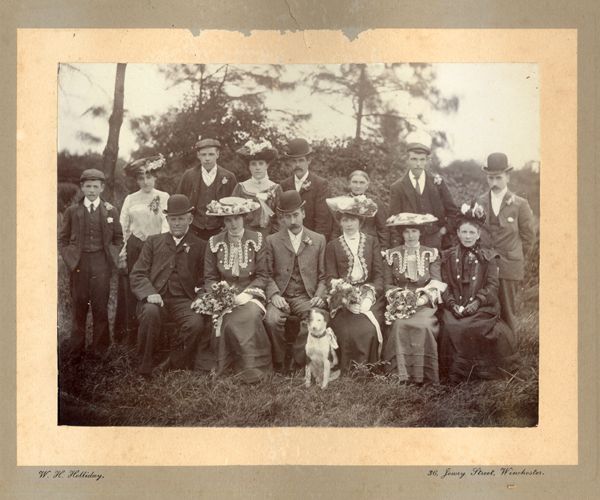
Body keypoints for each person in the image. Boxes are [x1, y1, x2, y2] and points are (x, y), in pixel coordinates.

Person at [438, 202, 519, 382]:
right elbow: (444, 285)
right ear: (458, 233)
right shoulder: (448, 256)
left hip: (482, 307)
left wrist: (476, 303)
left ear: (478, 234)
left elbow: (492, 286)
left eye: (471, 232)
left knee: (470, 327)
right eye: (464, 232)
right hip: (455, 305)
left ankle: (476, 373)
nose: (467, 236)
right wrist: (452, 304)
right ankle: (454, 374)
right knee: (450, 326)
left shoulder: (488, 257)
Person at [129, 195, 208, 378]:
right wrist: (149, 293)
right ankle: (145, 364)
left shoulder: (200, 245)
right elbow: (138, 273)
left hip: (184, 300)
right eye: (173, 219)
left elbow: (205, 279)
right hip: (157, 298)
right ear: (167, 220)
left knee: (195, 323)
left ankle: (171, 363)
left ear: (190, 219)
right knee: (150, 312)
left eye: (181, 219)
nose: (177, 223)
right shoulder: (153, 242)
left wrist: (199, 299)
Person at [202, 196, 273, 383]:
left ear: (244, 218)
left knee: (246, 316)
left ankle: (251, 367)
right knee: (225, 319)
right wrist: (219, 294)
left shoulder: (257, 239)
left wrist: (247, 294)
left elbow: (263, 275)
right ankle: (228, 364)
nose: (233, 224)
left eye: (236, 218)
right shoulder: (214, 242)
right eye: (228, 220)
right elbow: (209, 277)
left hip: (251, 295)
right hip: (223, 296)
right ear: (223, 221)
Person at [58, 168, 123, 359]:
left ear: (102, 188)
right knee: (79, 304)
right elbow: (62, 239)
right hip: (79, 264)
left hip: (101, 263)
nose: (92, 190)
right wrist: (70, 258)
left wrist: (112, 255)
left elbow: (118, 238)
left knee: (100, 305)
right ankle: (76, 348)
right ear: (82, 187)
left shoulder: (110, 211)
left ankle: (100, 349)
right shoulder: (72, 211)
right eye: (88, 186)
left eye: (95, 186)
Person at [264, 190, 328, 372]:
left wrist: (319, 295)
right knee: (271, 320)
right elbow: (266, 274)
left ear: (303, 213)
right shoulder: (272, 240)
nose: (292, 221)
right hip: (281, 296)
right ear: (282, 218)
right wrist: (274, 295)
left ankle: (297, 360)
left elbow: (324, 276)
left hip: (305, 297)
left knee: (316, 317)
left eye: (295, 215)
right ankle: (280, 360)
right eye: (287, 217)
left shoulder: (318, 240)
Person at [381, 212, 446, 384]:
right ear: (401, 233)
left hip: (424, 303)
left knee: (424, 326)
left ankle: (424, 375)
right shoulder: (391, 254)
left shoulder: (430, 253)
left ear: (420, 233)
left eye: (414, 231)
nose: (410, 235)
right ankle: (400, 375)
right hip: (399, 304)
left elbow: (436, 282)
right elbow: (387, 284)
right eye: (407, 231)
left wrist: (422, 299)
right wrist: (400, 297)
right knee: (399, 325)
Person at [477, 152, 536, 333]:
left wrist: (514, 255)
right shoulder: (479, 201)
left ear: (508, 177)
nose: (494, 182)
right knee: (484, 310)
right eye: (490, 178)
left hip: (509, 266)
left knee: (508, 312)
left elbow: (528, 238)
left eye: (498, 178)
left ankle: (510, 348)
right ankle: (488, 346)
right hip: (485, 266)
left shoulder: (520, 204)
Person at [324, 195, 384, 372]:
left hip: (370, 295)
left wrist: (369, 297)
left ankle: (366, 369)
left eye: (352, 220)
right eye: (345, 220)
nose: (349, 224)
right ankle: (347, 369)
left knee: (366, 328)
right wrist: (345, 298)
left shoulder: (372, 242)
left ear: (360, 221)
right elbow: (330, 277)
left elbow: (379, 275)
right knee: (345, 330)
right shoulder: (332, 246)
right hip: (342, 298)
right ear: (340, 223)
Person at [117, 154, 170, 346]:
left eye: (149, 177)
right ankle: (131, 336)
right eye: (141, 178)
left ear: (155, 177)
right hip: (135, 247)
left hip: (156, 247)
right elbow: (123, 226)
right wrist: (122, 251)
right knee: (133, 287)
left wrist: (161, 246)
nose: (145, 181)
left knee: (154, 286)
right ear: (136, 180)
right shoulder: (130, 199)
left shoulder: (163, 197)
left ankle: (155, 336)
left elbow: (166, 223)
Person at [388, 137, 458, 249]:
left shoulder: (437, 182)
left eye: (422, 160)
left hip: (436, 240)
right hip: (409, 243)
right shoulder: (397, 187)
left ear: (426, 161)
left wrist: (443, 231)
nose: (418, 164)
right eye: (414, 159)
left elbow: (453, 212)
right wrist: (396, 246)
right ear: (407, 160)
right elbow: (393, 220)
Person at [176, 138, 237, 241]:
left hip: (220, 230)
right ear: (198, 155)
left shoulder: (229, 177)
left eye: (211, 154)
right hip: (194, 229)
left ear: (217, 154)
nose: (207, 158)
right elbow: (179, 202)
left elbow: (235, 206)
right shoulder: (189, 176)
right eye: (203, 155)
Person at [279, 138, 332, 240]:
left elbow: (323, 221)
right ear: (290, 163)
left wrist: (315, 243)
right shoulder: (284, 185)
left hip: (312, 240)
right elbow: (282, 218)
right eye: (294, 161)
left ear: (309, 161)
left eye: (301, 160)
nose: (297, 165)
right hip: (289, 240)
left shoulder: (320, 185)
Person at [231, 139, 283, 236]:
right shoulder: (241, 187)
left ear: (267, 165)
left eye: (261, 163)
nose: (257, 167)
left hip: (268, 236)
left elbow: (280, 220)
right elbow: (233, 216)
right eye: (253, 164)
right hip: (244, 236)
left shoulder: (275, 188)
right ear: (249, 167)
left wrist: (272, 238)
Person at [331, 169, 390, 249]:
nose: (358, 186)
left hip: (369, 245)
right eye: (354, 182)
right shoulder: (342, 202)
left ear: (367, 185)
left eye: (362, 183)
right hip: (346, 244)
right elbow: (336, 229)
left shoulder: (375, 202)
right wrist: (334, 248)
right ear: (349, 184)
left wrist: (383, 248)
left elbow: (383, 229)